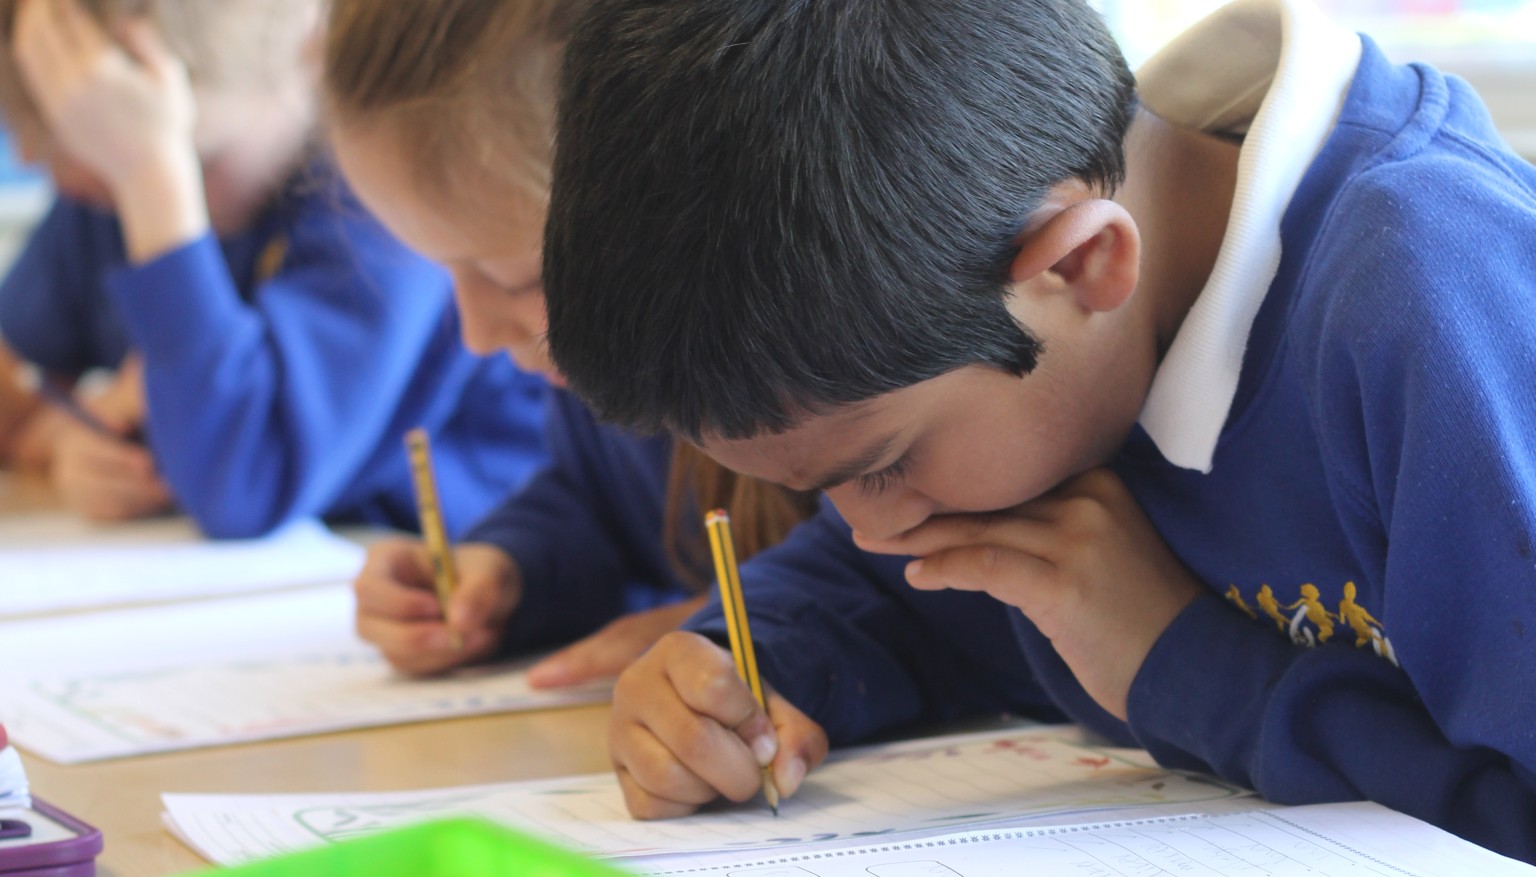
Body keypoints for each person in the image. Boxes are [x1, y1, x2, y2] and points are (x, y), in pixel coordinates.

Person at [540, 0, 1536, 859]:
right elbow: (899, 592)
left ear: (1079, 267)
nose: (877, 530)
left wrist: (1176, 659)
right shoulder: (1021, 309)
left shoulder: (1435, 307)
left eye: (884, 466)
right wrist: (737, 670)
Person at [322, 0, 823, 686]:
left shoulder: (846, 381)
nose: (476, 334)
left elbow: (917, 593)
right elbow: (599, 506)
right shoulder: (610, 371)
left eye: (520, 277)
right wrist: (510, 569)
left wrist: (759, 626)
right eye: (449, 275)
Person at [0, 0, 548, 537]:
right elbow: (15, 375)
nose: (26, 155)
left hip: (455, 578)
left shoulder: (384, 206)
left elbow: (243, 486)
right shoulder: (104, 197)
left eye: (199, 159)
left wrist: (151, 178)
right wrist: (52, 437)